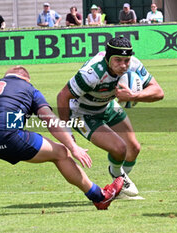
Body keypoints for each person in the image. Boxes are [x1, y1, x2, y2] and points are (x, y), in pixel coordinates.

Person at [0, 65, 124, 215]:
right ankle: (99, 197)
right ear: (26, 80)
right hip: (7, 135)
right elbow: (48, 119)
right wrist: (73, 146)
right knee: (61, 153)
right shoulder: (30, 90)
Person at [57, 37, 164, 199]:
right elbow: (63, 96)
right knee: (119, 148)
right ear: (108, 58)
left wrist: (135, 95)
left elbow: (158, 92)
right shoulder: (92, 73)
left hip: (106, 105)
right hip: (82, 114)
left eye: (126, 60)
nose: (123, 65)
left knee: (134, 148)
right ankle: (118, 179)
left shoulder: (134, 65)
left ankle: (118, 184)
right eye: (118, 60)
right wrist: (66, 132)